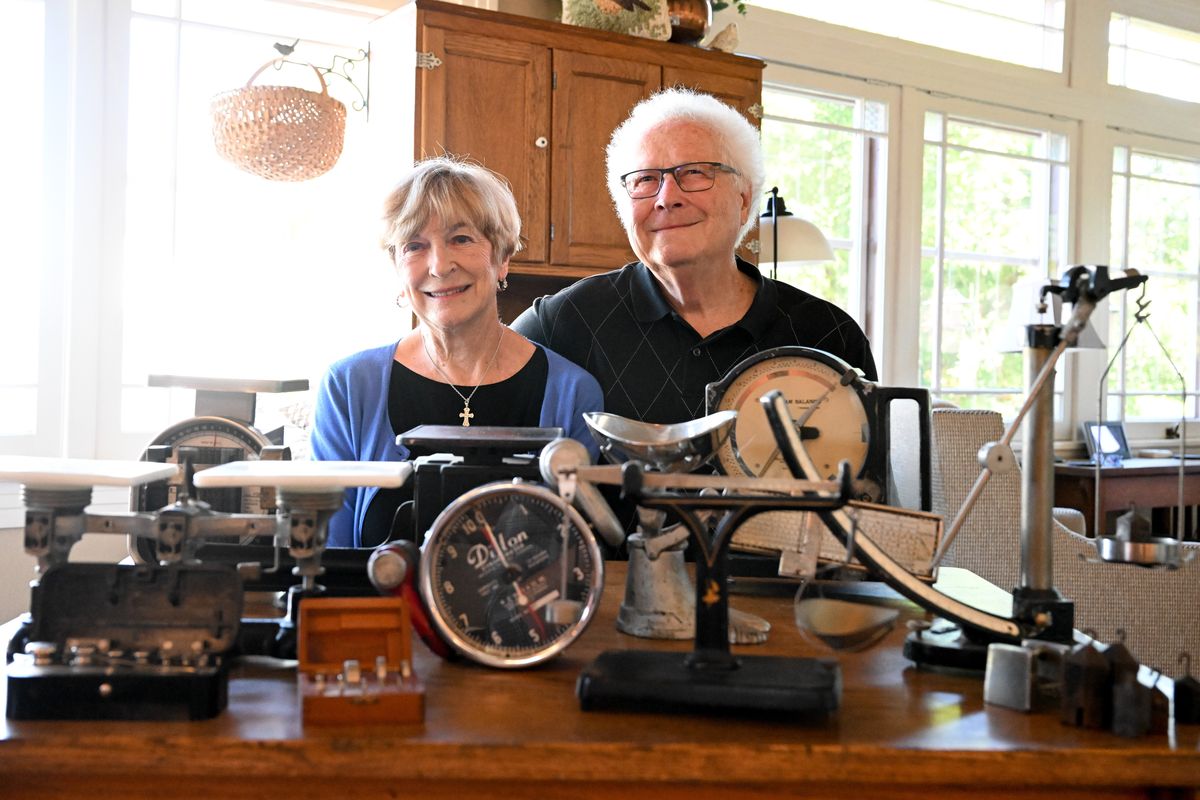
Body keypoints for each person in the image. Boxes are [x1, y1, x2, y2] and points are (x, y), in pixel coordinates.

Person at [512, 88, 876, 425]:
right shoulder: (563, 323)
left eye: (695, 172)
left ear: (744, 197)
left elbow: (871, 485)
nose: (666, 197)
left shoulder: (828, 337)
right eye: (645, 179)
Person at [311, 157, 603, 548]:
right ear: (397, 268)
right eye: (415, 245)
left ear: (502, 258)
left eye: (461, 239)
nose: (439, 265)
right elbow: (331, 557)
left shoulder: (573, 393)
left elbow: (571, 558)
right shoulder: (349, 387)